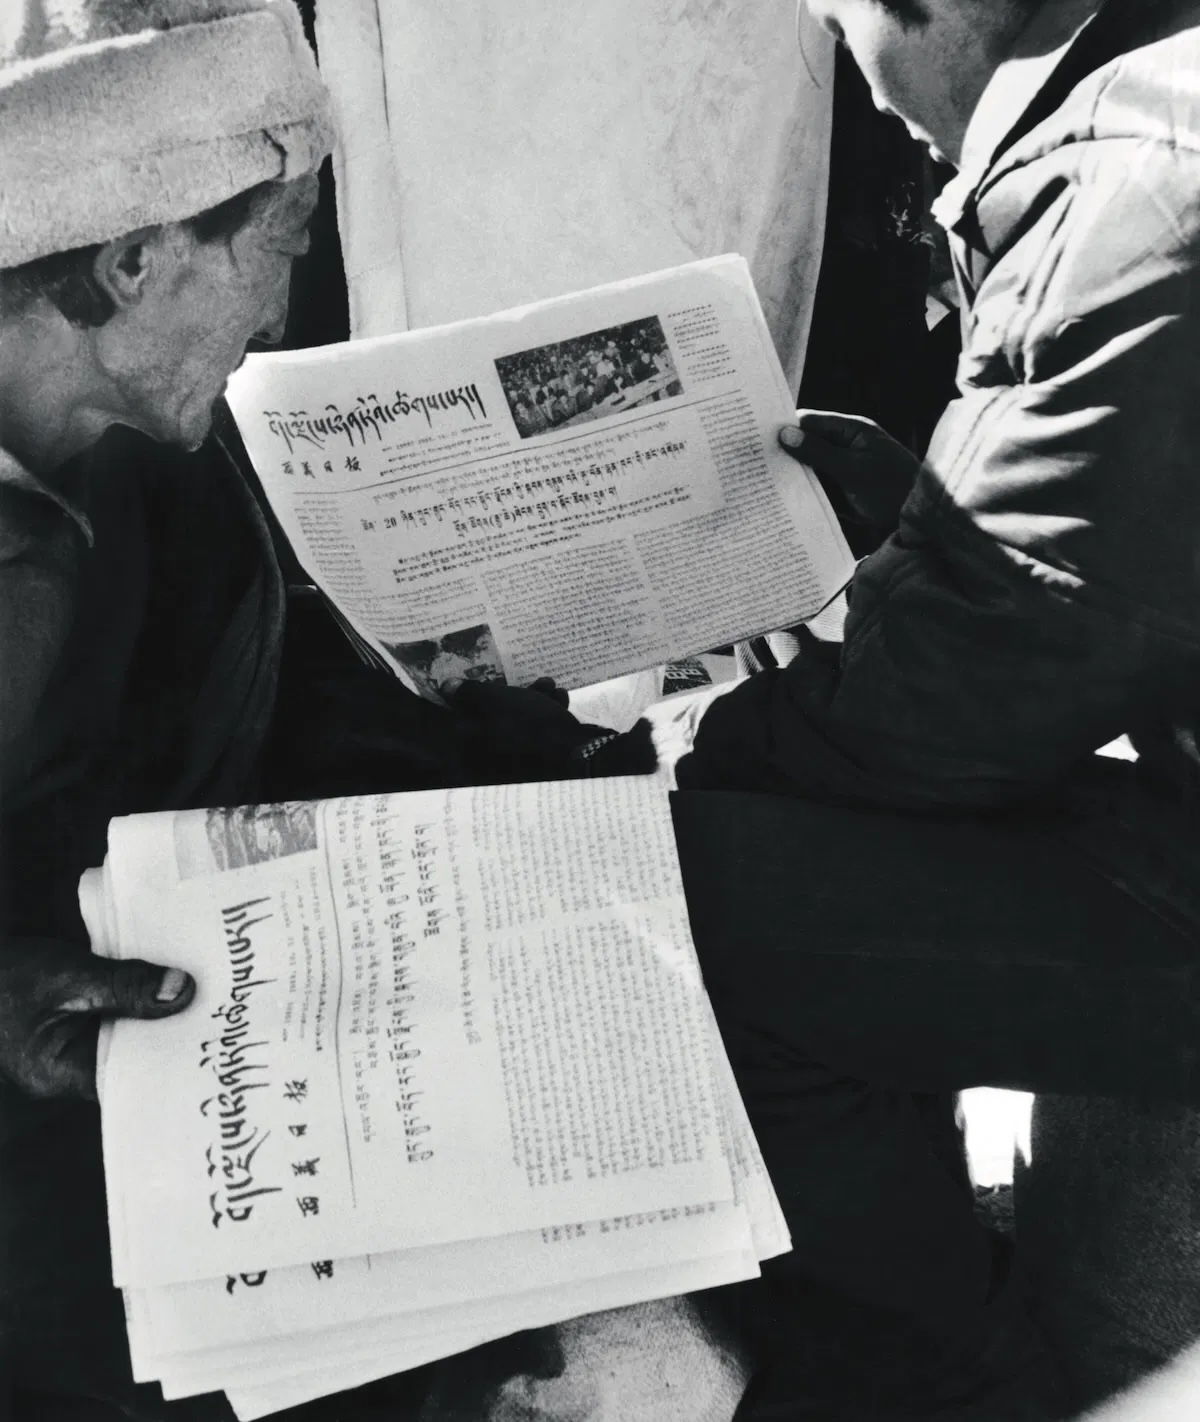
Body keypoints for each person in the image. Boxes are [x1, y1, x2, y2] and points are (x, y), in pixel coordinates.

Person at [490, 0, 1200, 1414]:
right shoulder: (1157, 110)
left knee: (686, 911)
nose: (850, 76)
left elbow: (951, 709)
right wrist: (933, 529)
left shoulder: (1142, 190)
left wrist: (698, 748)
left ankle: (957, 1380)